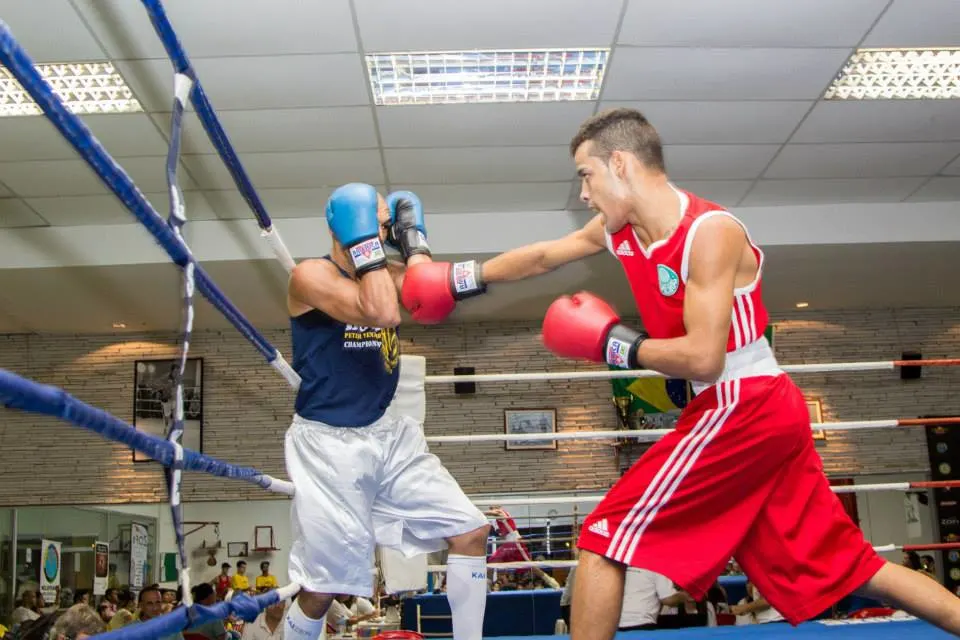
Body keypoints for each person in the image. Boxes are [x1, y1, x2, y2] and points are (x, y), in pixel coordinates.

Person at [398, 107, 960, 639]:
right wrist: (459, 279)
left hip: (745, 399)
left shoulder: (710, 232)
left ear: (621, 164)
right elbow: (545, 255)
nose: (583, 191)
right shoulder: (621, 231)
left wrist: (614, 345)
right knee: (852, 568)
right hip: (744, 408)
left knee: (602, 538)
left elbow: (703, 358)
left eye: (587, 174)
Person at [280, 183, 490, 640]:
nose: (382, 228)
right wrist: (369, 248)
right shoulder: (310, 275)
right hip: (328, 443)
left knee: (471, 530)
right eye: (374, 221)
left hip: (387, 433)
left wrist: (414, 242)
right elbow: (381, 312)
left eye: (384, 222)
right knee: (324, 588)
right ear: (349, 225)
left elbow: (432, 299)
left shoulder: (387, 270)